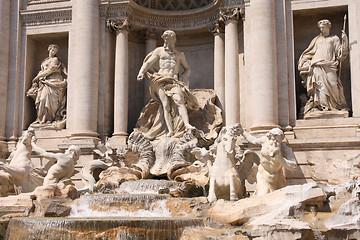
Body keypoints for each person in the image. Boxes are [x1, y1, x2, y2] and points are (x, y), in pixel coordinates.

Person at [137, 30, 199, 139]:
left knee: (179, 101)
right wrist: (141, 72)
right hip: (160, 79)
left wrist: (183, 77)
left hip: (174, 81)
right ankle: (170, 130)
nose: (169, 40)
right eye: (167, 38)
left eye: (171, 38)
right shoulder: (159, 51)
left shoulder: (179, 55)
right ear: (164, 39)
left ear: (174, 39)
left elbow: (187, 68)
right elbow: (148, 63)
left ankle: (187, 124)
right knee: (165, 105)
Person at [298, 19, 349, 117]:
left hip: (330, 65)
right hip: (317, 66)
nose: (321, 29)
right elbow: (309, 52)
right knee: (320, 87)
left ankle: (336, 106)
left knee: (333, 85)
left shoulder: (334, 38)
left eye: (323, 27)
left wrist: (345, 40)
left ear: (328, 27)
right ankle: (323, 107)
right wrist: (304, 62)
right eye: (320, 27)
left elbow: (340, 54)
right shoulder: (316, 39)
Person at [239, 127, 297, 196]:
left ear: (281, 140)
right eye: (273, 139)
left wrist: (280, 159)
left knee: (280, 199)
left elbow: (294, 167)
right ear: (269, 137)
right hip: (263, 176)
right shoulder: (264, 141)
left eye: (278, 141)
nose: (275, 142)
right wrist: (243, 132)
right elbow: (253, 140)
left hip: (278, 178)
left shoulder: (286, 150)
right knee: (262, 195)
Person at [27, 44, 67, 124]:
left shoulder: (55, 60)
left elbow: (49, 71)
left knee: (49, 100)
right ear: (49, 49)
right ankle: (40, 119)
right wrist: (39, 77)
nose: (53, 52)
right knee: (41, 99)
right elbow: (43, 70)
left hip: (54, 81)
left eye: (54, 51)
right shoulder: (45, 61)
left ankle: (49, 119)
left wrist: (37, 77)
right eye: (52, 50)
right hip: (44, 83)